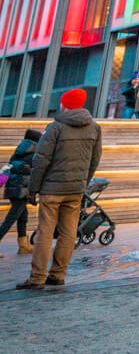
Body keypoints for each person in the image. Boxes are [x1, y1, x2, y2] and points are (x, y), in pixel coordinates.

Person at [16, 88, 103, 292]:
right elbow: (95, 159)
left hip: (52, 189)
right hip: (75, 189)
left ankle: (37, 278)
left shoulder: (56, 127)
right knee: (68, 232)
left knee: (45, 232)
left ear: (65, 105)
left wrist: (33, 188)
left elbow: (41, 159)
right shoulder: (94, 127)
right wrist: (84, 182)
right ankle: (57, 275)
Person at [0, 128, 40, 255]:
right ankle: (22, 246)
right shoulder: (33, 154)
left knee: (23, 217)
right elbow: (35, 173)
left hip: (14, 189)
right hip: (22, 190)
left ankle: (23, 246)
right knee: (10, 219)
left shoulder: (18, 152)